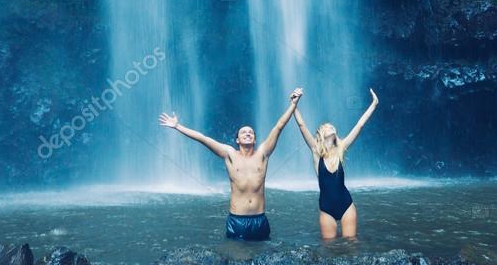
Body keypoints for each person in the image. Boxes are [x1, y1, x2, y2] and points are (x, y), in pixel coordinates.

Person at [158, 88, 302, 241]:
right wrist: (177, 126)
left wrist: (293, 104)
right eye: (243, 132)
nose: (248, 133)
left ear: (254, 140)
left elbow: (279, 126)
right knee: (236, 257)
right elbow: (203, 138)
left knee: (263, 257)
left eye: (251, 133)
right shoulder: (229, 154)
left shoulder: (263, 153)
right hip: (237, 220)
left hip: (259, 219)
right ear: (237, 140)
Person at [292, 88, 378, 239]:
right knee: (329, 247)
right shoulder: (316, 151)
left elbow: (359, 125)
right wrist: (294, 104)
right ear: (320, 133)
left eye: (332, 126)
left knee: (351, 244)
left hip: (346, 205)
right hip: (326, 208)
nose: (331, 127)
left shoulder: (341, 147)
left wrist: (374, 104)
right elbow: (301, 125)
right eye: (326, 126)